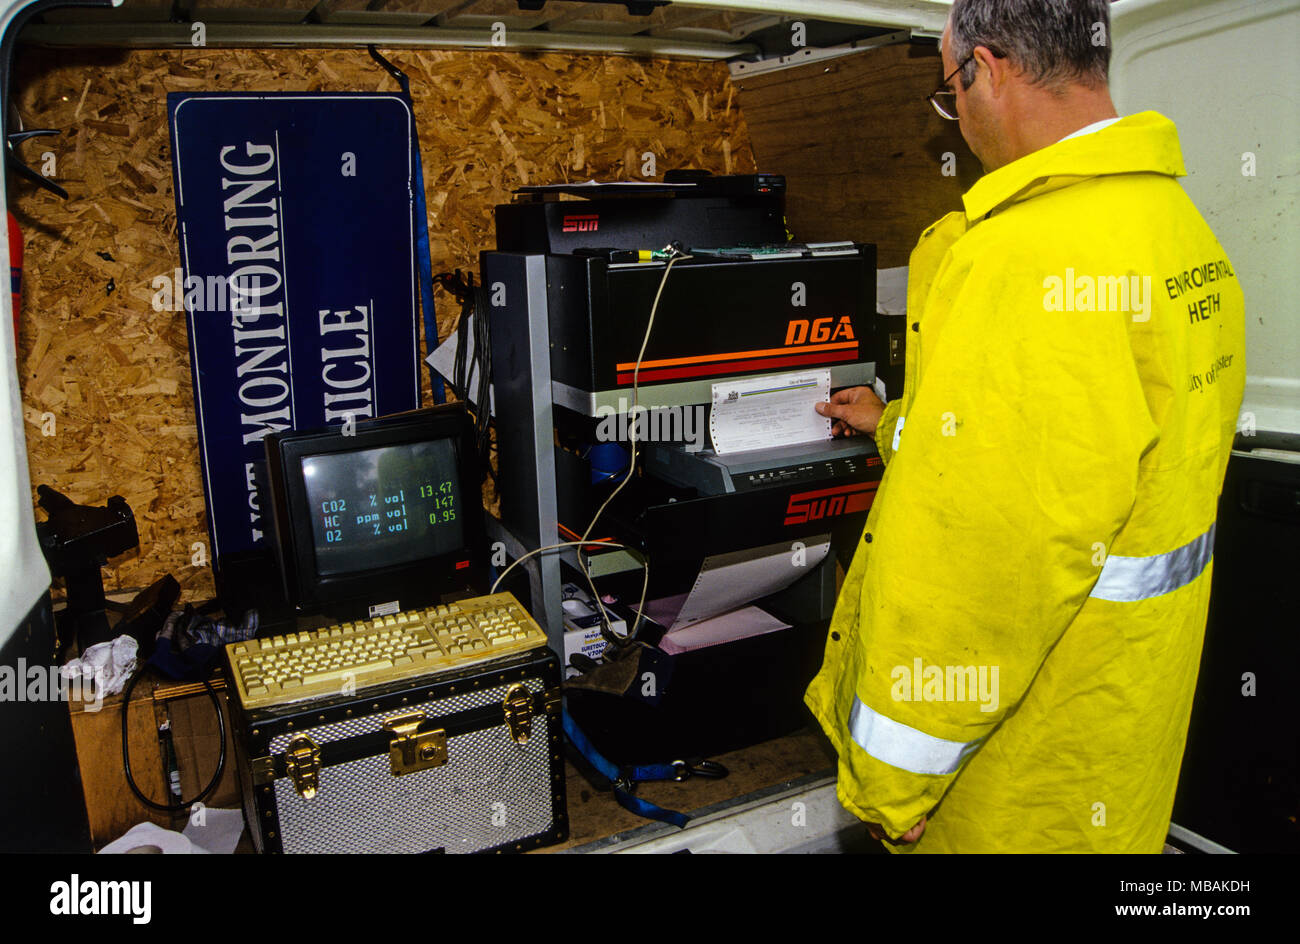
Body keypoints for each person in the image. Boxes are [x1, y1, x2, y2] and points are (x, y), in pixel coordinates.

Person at [805, 0, 1246, 852]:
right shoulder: (1177, 232)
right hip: (1116, 740)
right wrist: (898, 425)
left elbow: (987, 563)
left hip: (1013, 783)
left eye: (948, 90)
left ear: (988, 69)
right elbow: (1086, 463)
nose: (957, 116)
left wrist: (892, 780)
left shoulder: (1032, 262)